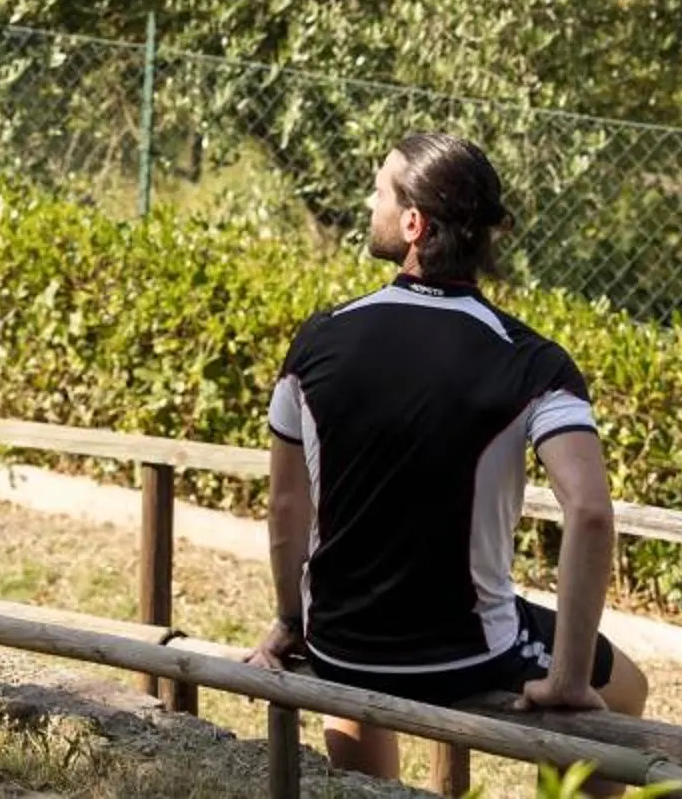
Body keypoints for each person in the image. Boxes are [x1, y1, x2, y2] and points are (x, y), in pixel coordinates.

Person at [247, 132, 649, 778]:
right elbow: (592, 512)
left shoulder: (318, 339)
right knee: (628, 691)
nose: (369, 203)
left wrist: (293, 621)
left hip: (338, 646)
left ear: (413, 224)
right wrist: (570, 678)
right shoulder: (532, 360)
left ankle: (369, 791)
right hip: (466, 656)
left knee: (357, 687)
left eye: (378, 191)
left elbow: (285, 505)